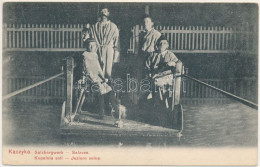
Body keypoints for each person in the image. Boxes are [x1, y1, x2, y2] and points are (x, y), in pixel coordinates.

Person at [79, 38, 125, 127]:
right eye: (90, 45)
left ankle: (117, 114)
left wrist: (103, 78)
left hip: (97, 78)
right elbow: (87, 70)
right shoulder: (84, 55)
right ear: (86, 46)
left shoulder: (95, 55)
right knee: (100, 89)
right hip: (89, 79)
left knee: (110, 90)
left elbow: (98, 69)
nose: (92, 47)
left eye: (93, 45)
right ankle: (102, 112)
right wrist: (94, 79)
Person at [82, 8, 120, 80]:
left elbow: (117, 43)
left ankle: (108, 87)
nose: (104, 14)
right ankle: (99, 88)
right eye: (102, 12)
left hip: (109, 51)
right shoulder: (95, 26)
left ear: (108, 13)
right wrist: (85, 30)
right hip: (98, 50)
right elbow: (87, 38)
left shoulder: (113, 27)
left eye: (105, 12)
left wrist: (115, 58)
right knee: (98, 71)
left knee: (108, 72)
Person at [136, 14, 161, 103]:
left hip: (151, 60)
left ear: (152, 23)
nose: (145, 24)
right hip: (142, 59)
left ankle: (151, 101)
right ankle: (141, 101)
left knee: (150, 79)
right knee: (142, 79)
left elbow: (159, 49)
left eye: (147, 22)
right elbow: (139, 48)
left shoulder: (156, 34)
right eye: (144, 22)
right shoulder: (142, 34)